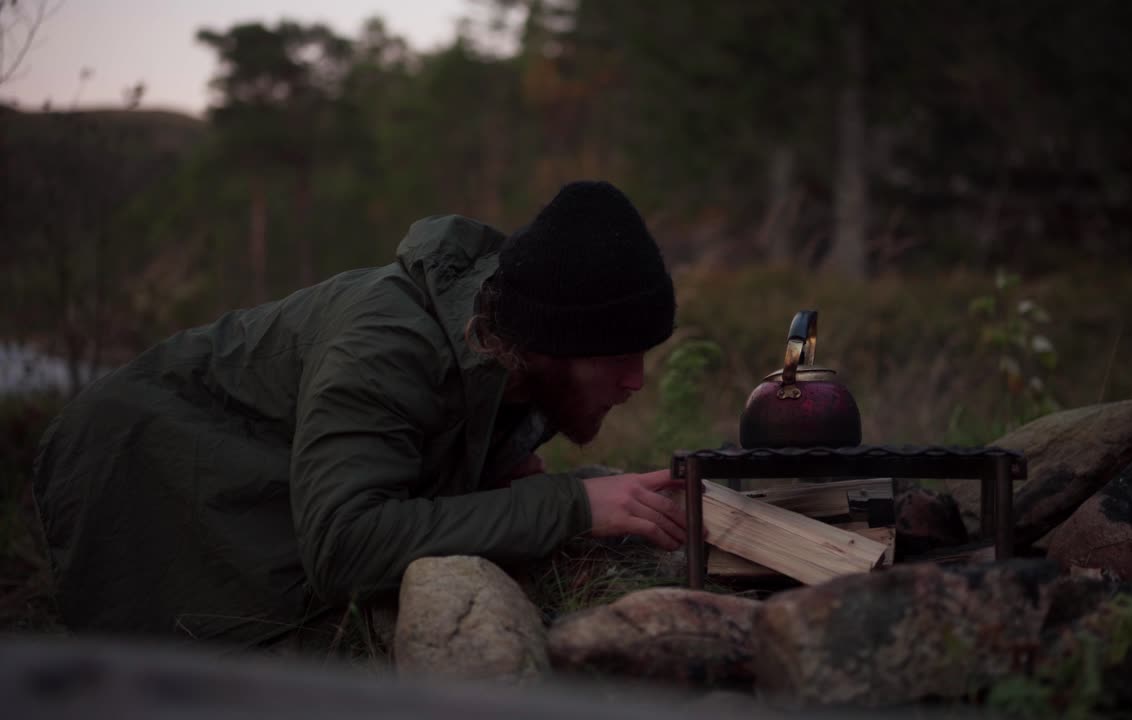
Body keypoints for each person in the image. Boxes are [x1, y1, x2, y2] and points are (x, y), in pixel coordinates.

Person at [31, 179, 688, 651]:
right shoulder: (386, 348)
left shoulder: (502, 345)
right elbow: (343, 546)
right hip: (136, 477)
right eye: (616, 357)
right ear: (547, 348)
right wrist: (570, 505)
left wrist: (488, 470)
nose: (635, 382)